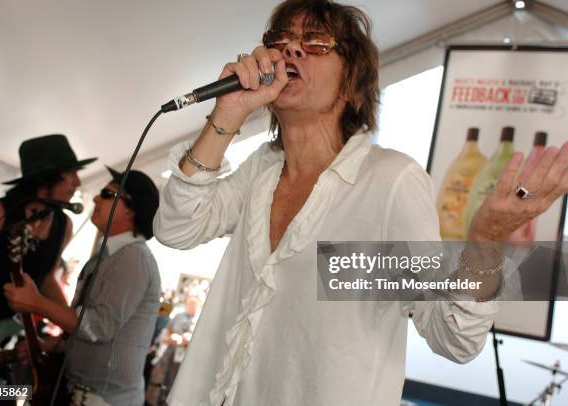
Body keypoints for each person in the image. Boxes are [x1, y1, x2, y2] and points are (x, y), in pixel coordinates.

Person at [153, 1, 568, 405]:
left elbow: (453, 338)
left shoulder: (389, 182)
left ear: (352, 82)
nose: (292, 49)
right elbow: (176, 228)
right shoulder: (260, 170)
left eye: (316, 42)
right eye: (283, 39)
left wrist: (486, 238)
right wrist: (229, 110)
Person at [4, 166, 161, 406]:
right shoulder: (109, 255)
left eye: (108, 195)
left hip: (103, 400)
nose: (97, 198)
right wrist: (53, 345)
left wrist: (37, 303)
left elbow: (98, 327)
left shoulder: (132, 258)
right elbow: (88, 328)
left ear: (131, 210)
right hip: (82, 394)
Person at [0, 133, 96, 376]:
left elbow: (46, 279)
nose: (77, 182)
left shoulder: (63, 226)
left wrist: (66, 322)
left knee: (0, 398)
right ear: (46, 180)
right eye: (70, 174)